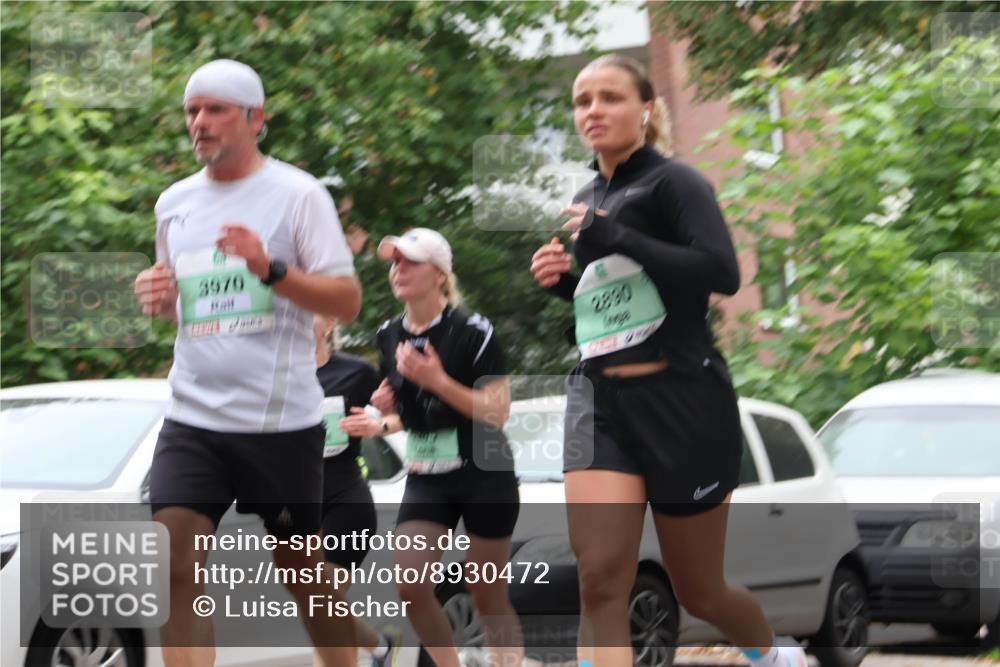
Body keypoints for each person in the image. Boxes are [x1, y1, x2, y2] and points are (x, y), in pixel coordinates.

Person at [529, 54, 809, 667]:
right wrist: (563, 284)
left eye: (610, 97)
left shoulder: (675, 183)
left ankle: (771, 654)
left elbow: (721, 275)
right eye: (582, 100)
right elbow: (618, 305)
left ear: (646, 109)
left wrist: (616, 236)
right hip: (600, 402)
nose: (594, 110)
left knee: (699, 590)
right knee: (600, 578)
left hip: (682, 397)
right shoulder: (585, 195)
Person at [133, 59, 361, 667]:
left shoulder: (298, 195)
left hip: (277, 424)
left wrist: (271, 270)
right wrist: (158, 300)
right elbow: (182, 307)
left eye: (215, 110)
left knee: (301, 574)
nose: (199, 123)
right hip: (194, 419)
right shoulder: (174, 203)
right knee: (175, 558)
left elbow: (347, 300)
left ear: (256, 119)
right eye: (191, 111)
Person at [361, 228, 524, 667]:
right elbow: (405, 415)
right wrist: (382, 416)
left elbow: (497, 411)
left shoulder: (474, 330)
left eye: (409, 261)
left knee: (485, 589)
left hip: (483, 471)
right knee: (411, 586)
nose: (398, 270)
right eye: (394, 262)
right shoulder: (387, 335)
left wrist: (437, 380)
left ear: (438, 274)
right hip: (428, 474)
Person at [312, 314, 400, 667]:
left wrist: (380, 420)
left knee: (323, 605)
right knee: (318, 604)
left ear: (330, 323)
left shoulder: (358, 372)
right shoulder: (274, 375)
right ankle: (380, 647)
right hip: (295, 502)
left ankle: (378, 649)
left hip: (344, 500)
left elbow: (402, 411)